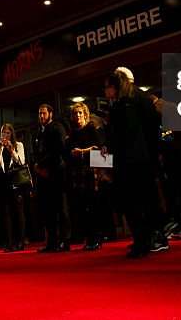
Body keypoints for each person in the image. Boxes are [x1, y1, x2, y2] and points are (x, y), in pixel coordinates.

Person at [101, 68, 163, 259]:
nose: (106, 92)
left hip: (130, 161)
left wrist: (110, 151)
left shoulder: (126, 105)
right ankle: (147, 238)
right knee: (141, 201)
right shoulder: (128, 103)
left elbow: (126, 135)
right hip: (137, 159)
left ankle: (146, 239)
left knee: (134, 202)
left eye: (108, 87)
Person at [66, 103, 105, 251]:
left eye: (80, 113)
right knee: (82, 207)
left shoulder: (90, 129)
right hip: (77, 171)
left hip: (90, 169)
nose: (77, 116)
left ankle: (96, 238)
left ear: (85, 114)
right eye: (75, 113)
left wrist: (82, 151)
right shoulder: (74, 132)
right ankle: (89, 237)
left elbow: (99, 147)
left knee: (93, 205)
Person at [33, 104, 70, 253]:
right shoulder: (39, 133)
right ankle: (52, 242)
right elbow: (36, 152)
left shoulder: (57, 128)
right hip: (43, 175)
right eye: (40, 114)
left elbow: (58, 149)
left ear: (50, 114)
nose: (41, 116)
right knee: (47, 209)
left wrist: (41, 164)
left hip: (56, 172)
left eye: (44, 113)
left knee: (61, 208)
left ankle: (64, 241)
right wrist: (38, 167)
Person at [0, 123, 27, 252]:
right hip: (3, 181)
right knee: (5, 213)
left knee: (18, 211)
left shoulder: (19, 145)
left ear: (11, 134)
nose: (5, 135)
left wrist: (12, 149)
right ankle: (8, 242)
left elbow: (21, 161)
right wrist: (1, 148)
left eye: (7, 133)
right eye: (3, 133)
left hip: (15, 181)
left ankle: (20, 241)